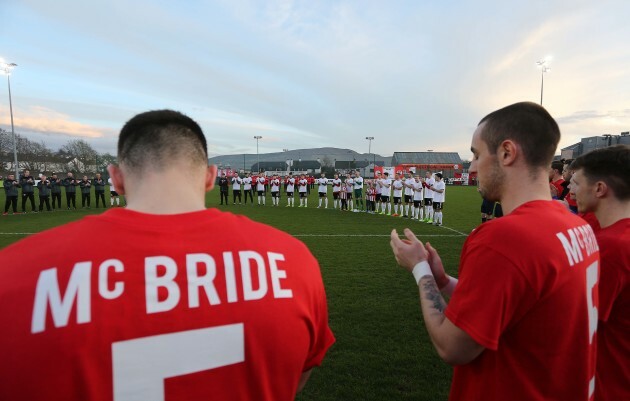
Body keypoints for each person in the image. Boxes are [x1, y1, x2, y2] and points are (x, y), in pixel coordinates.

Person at [0, 109, 334, 401]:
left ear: (116, 179)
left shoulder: (14, 275)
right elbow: (295, 378)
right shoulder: (292, 261)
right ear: (210, 177)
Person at [389, 102, 599, 401]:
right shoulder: (575, 224)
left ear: (506, 153)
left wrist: (419, 269)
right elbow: (519, 302)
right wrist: (443, 280)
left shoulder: (504, 238)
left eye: (476, 154)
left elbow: (453, 347)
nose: (472, 167)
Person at [569, 144, 630, 401]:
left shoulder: (611, 246)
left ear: (599, 188)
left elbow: (577, 325)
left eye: (576, 182)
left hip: (611, 383)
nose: (571, 190)